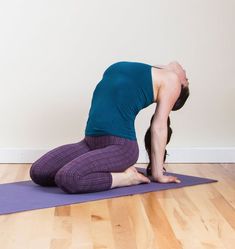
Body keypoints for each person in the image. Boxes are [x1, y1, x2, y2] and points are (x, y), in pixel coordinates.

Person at [29, 60, 190, 194]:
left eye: (187, 82)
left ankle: (127, 178)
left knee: (69, 178)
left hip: (121, 147)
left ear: (180, 88)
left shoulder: (172, 81)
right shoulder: (155, 70)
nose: (187, 78)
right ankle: (116, 171)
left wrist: (158, 174)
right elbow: (173, 65)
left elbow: (159, 126)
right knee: (38, 172)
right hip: (90, 142)